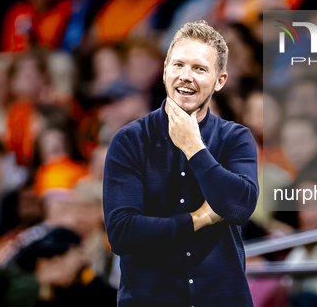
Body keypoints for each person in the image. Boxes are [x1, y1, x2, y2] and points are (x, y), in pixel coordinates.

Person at [103, 20, 259, 307]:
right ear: (165, 71)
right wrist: (196, 220)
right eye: (178, 65)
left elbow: (239, 207)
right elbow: (123, 234)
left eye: (200, 69)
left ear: (220, 80)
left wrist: (194, 148)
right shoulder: (129, 141)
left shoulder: (235, 138)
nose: (186, 76)